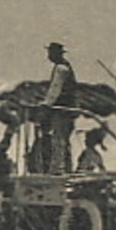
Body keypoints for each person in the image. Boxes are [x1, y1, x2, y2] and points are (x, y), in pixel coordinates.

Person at [37, 41, 77, 173]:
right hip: (67, 109)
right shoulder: (64, 67)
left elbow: (55, 88)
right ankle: (64, 166)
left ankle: (58, 168)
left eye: (50, 52)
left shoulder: (61, 68)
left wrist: (46, 105)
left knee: (58, 138)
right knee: (63, 138)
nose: (49, 55)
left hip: (63, 109)